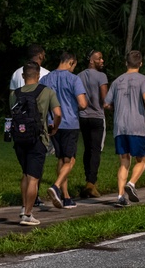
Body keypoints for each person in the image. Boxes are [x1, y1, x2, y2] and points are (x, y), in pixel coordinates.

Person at [10, 62, 61, 225]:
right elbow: (58, 113)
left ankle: (24, 206)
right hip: (38, 138)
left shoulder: (14, 94)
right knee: (33, 177)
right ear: (38, 76)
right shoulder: (47, 92)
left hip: (19, 138)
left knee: (25, 173)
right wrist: (54, 127)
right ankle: (28, 214)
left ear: (23, 76)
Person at [104, 50, 145, 207]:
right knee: (142, 159)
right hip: (137, 125)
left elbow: (106, 103)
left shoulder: (117, 81)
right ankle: (131, 184)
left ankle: (120, 196)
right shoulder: (143, 79)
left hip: (120, 126)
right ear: (140, 64)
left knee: (124, 160)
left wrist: (117, 107)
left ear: (126, 63)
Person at [39, 52, 88, 208]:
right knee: (70, 160)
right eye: (74, 66)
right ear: (71, 62)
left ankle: (66, 197)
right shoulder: (73, 79)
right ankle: (56, 186)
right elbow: (83, 103)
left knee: (61, 159)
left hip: (52, 123)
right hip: (69, 123)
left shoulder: (46, 79)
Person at [78, 50, 109, 198]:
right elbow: (105, 99)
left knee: (87, 149)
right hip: (97, 117)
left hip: (83, 117)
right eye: (99, 59)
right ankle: (92, 183)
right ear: (91, 60)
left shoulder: (79, 76)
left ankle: (87, 180)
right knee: (96, 150)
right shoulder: (101, 76)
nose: (102, 61)